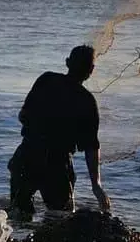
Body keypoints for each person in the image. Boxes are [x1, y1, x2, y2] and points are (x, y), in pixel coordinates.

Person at [7, 45, 110, 221]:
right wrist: (96, 185)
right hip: (56, 166)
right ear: (91, 70)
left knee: (18, 214)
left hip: (27, 156)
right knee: (61, 220)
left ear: (68, 62)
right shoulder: (86, 101)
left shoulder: (46, 80)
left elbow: (23, 115)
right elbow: (91, 147)